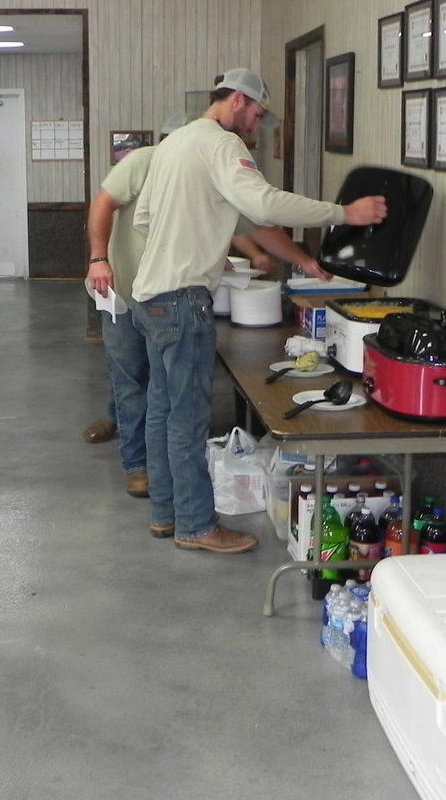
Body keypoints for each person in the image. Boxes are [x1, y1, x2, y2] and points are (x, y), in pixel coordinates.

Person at [131, 68, 387, 555]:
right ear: (237, 100)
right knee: (187, 420)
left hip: (151, 298)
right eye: (256, 113)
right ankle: (196, 525)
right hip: (183, 301)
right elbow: (264, 204)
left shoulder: (174, 144)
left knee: (162, 413)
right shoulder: (222, 144)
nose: (255, 125)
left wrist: (298, 259)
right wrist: (343, 213)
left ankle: (165, 514)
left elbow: (149, 218)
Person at [85, 113, 333, 498]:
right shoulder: (143, 161)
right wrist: (98, 258)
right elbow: (103, 203)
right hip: (124, 291)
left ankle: (151, 468)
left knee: (155, 389)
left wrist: (298, 260)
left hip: (165, 297)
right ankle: (136, 462)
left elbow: (252, 223)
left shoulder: (206, 173)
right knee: (131, 376)